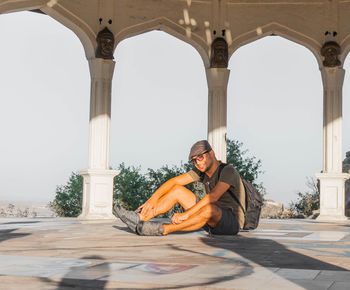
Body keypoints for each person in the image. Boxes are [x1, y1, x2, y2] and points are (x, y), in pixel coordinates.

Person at [114, 140, 245, 236]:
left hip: (231, 223)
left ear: (212, 153)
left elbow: (213, 197)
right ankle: (140, 218)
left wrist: (185, 215)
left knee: (209, 208)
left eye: (200, 157)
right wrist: (153, 199)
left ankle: (163, 229)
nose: (198, 162)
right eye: (194, 160)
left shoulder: (228, 170)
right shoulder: (201, 172)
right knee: (177, 190)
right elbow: (174, 181)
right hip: (208, 217)